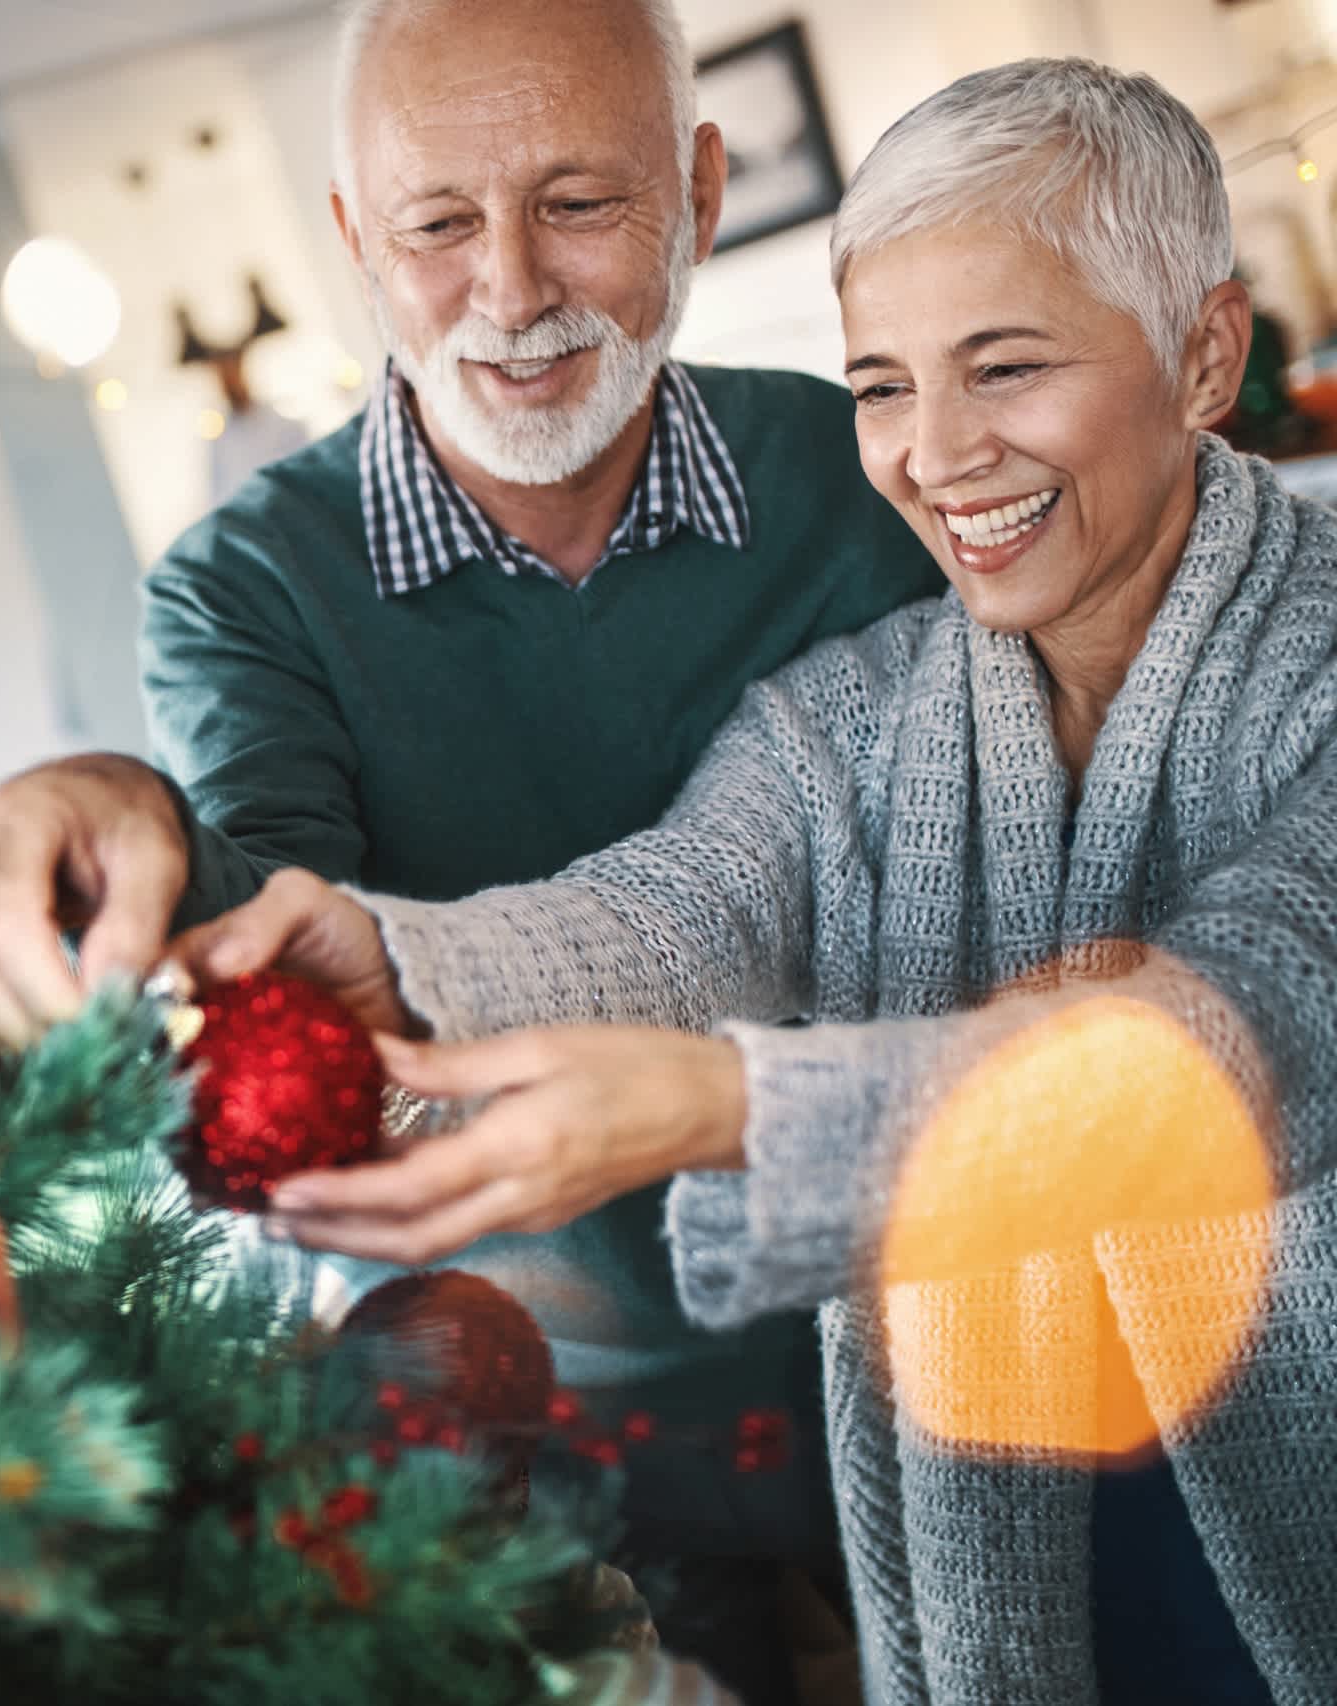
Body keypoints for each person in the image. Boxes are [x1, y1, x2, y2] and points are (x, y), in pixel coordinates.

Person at [174, 59, 1337, 1706]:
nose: (936, 454)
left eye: (1004, 367)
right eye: (879, 385)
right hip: (1026, 1565)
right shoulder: (848, 714)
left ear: (1205, 353)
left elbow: (1232, 1049)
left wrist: (725, 1106)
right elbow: (666, 908)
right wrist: (388, 956)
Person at [0, 1, 937, 1696]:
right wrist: (125, 819)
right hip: (537, 1423)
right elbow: (267, 916)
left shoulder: (865, 480)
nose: (514, 288)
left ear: (698, 189)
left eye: (582, 204)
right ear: (351, 244)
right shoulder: (243, 593)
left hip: (907, 1346)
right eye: (439, 225)